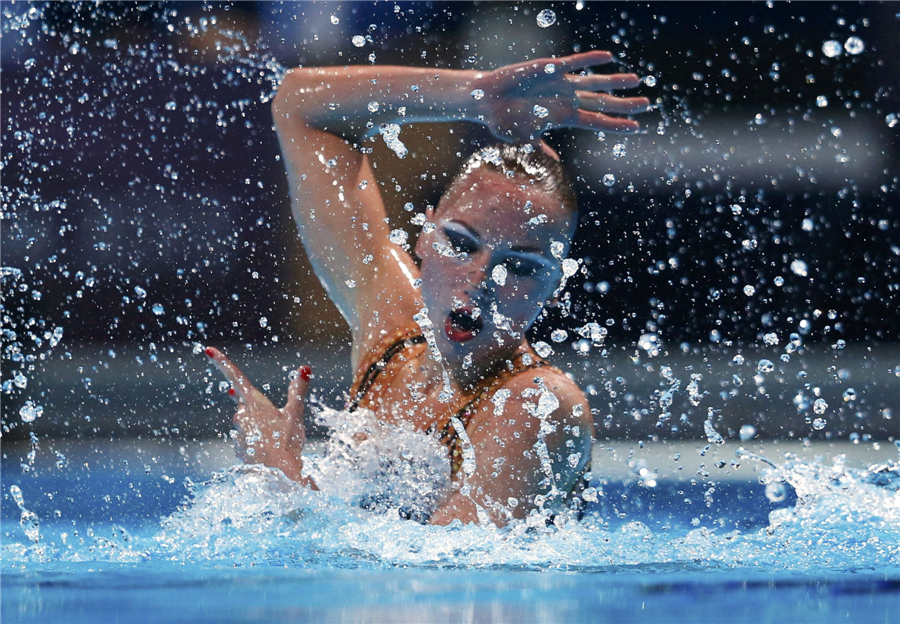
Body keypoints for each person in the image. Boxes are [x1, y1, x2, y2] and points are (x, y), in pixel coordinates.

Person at [205, 50, 649, 526]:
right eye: (461, 243)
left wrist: (284, 476)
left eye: (521, 267)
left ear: (554, 287)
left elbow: (440, 568)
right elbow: (300, 104)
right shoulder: (392, 333)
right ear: (425, 234)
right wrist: (473, 96)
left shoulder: (538, 406)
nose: (480, 280)